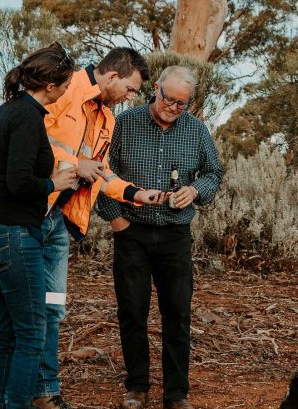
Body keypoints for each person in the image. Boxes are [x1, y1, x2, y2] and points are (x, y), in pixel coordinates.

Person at [32, 48, 167, 409]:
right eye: (132, 88)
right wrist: (77, 163)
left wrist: (137, 194)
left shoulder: (107, 117)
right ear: (111, 77)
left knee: (53, 308)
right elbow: (31, 140)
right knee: (27, 308)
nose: (132, 98)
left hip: (59, 222)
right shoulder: (65, 88)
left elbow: (102, 172)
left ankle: (45, 390)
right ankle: (20, 389)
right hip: (29, 216)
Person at [97, 65, 224, 409]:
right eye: (169, 100)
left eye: (182, 104)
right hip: (132, 232)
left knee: (177, 313)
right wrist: (116, 221)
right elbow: (100, 172)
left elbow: (214, 173)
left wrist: (195, 190)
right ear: (156, 89)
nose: (173, 108)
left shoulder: (197, 130)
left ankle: (176, 394)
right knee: (132, 313)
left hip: (175, 235)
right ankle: (137, 387)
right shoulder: (124, 123)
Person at [0, 42, 77, 409]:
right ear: (50, 85)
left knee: (8, 333)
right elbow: (18, 182)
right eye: (65, 85)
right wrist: (55, 184)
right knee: (31, 334)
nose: (67, 90)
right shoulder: (29, 117)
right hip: (15, 235)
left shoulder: (6, 111)